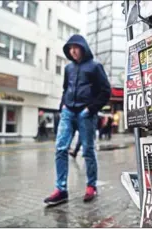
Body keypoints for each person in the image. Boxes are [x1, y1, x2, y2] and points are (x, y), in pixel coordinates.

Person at [44, 34, 111, 205]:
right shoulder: (68, 68)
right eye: (70, 48)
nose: (73, 51)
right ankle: (61, 190)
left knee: (88, 150)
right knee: (60, 148)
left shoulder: (95, 67)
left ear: (83, 47)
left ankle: (91, 186)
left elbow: (105, 91)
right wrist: (62, 107)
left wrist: (90, 109)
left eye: (76, 47)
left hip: (86, 114)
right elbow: (66, 88)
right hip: (68, 112)